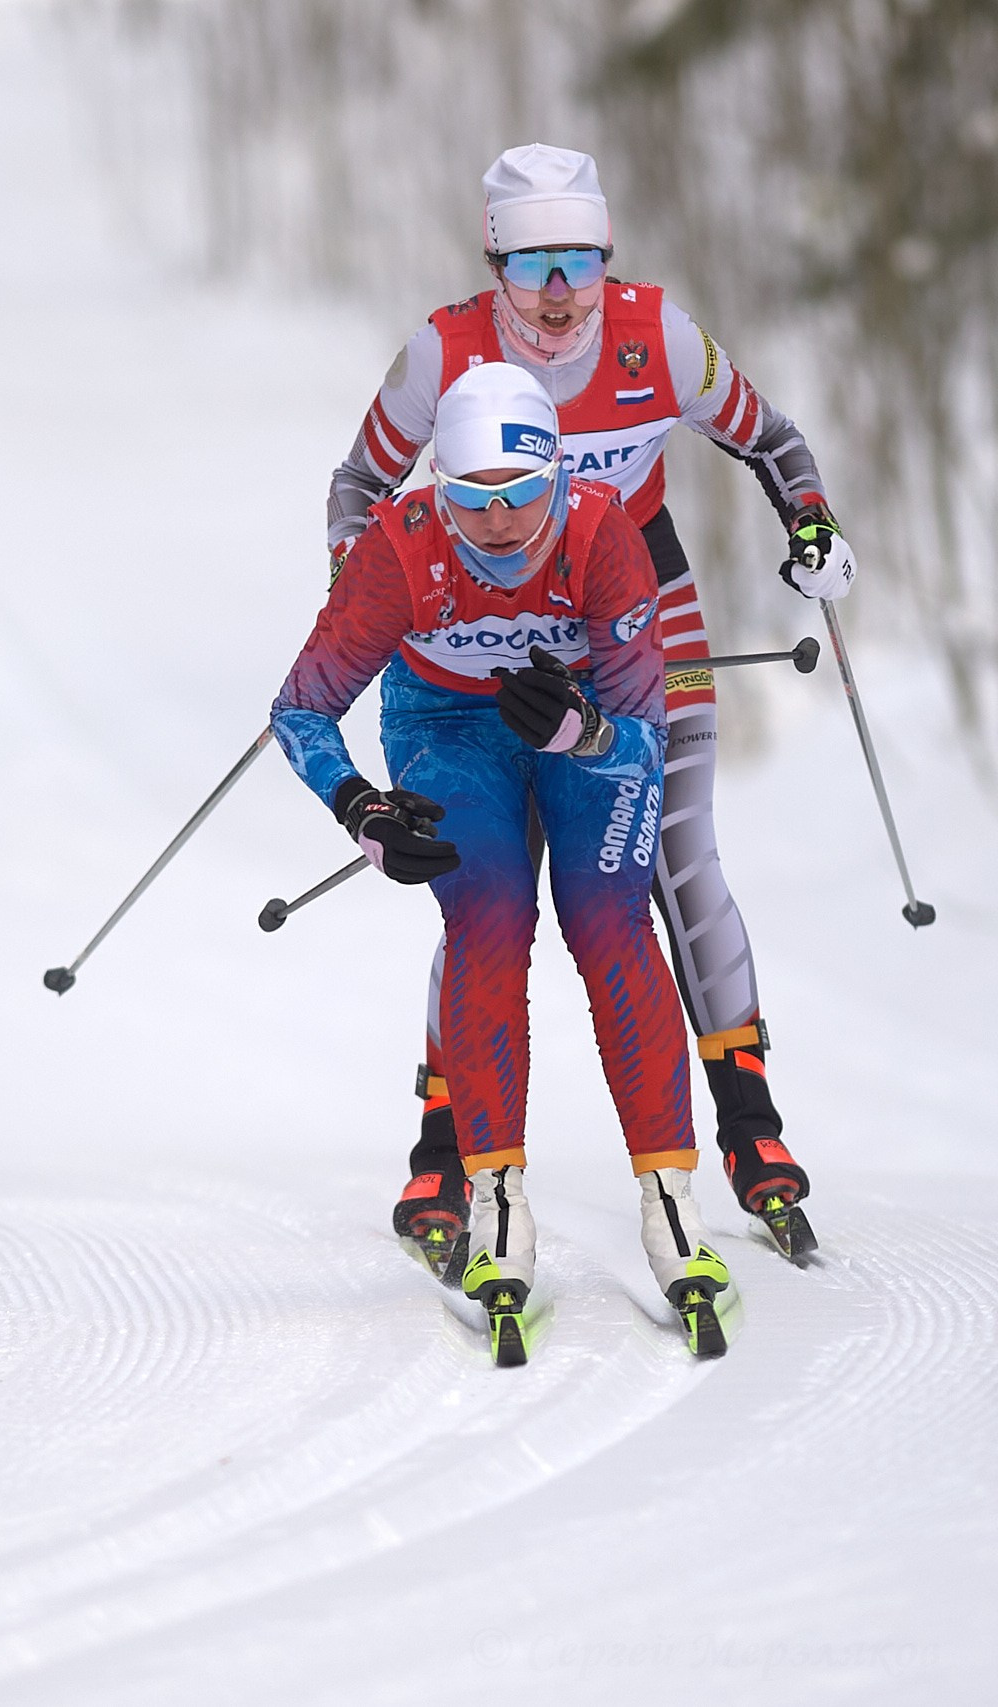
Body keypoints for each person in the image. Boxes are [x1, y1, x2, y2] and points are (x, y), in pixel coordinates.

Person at [327, 143, 844, 1268]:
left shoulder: (655, 334)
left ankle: (750, 1132)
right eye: (530, 267)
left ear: (605, 256)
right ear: (493, 265)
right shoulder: (443, 349)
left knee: (673, 850)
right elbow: (359, 486)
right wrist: (366, 592)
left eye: (578, 262)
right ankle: (443, 1144)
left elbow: (772, 441)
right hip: (477, 628)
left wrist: (810, 525)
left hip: (634, 601)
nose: (558, 295)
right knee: (482, 878)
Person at [276, 363, 734, 1360]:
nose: (494, 521)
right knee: (486, 920)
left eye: (520, 495)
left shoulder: (603, 531)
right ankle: (494, 1199)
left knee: (608, 920)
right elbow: (300, 708)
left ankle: (669, 1198)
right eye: (469, 499)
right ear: (434, 488)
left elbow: (647, 734)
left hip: (582, 722)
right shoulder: (399, 549)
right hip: (444, 727)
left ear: (559, 477)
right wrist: (361, 809)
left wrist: (584, 732)